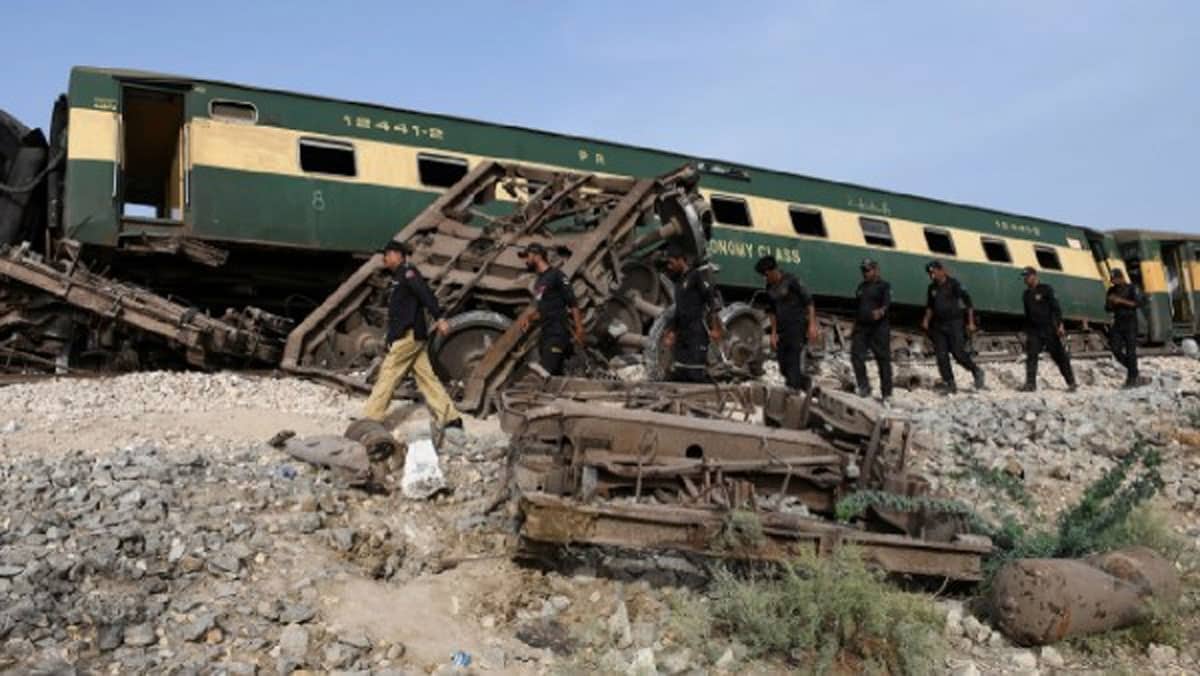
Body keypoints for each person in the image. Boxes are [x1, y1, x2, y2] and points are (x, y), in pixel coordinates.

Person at [362, 240, 464, 429]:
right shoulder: (399, 276)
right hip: (408, 335)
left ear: (398, 255)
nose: (384, 258)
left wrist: (440, 317)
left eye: (387, 254)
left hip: (408, 335)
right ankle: (451, 418)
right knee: (427, 379)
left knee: (388, 374)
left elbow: (426, 294)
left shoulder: (409, 273)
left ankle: (371, 419)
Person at [516, 243, 585, 376]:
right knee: (554, 376)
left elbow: (573, 303)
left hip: (557, 333)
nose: (526, 261)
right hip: (545, 334)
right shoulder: (540, 281)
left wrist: (579, 328)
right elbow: (544, 307)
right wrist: (529, 318)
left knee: (542, 373)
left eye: (527, 256)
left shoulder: (557, 276)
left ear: (537, 256)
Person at [921, 260, 985, 393]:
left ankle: (976, 370)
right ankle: (950, 383)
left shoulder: (954, 284)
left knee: (958, 353)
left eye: (933, 273)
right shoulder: (931, 288)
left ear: (941, 270)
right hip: (938, 325)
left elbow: (969, 303)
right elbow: (930, 306)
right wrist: (926, 320)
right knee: (941, 355)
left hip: (954, 323)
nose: (932, 276)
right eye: (929, 274)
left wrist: (971, 322)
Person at [755, 255, 818, 390]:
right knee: (783, 366)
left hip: (797, 327)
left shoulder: (791, 281)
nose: (765, 278)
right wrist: (773, 333)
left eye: (766, 275)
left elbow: (809, 302)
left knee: (793, 363)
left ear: (772, 271)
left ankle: (793, 394)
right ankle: (807, 385)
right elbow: (771, 311)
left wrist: (812, 325)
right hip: (782, 330)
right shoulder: (769, 287)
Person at [662, 244, 722, 383]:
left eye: (671, 263)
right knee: (679, 374)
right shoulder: (678, 282)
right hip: (682, 333)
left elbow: (711, 301)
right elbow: (679, 309)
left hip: (696, 331)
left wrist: (715, 328)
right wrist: (672, 331)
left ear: (680, 260)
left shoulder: (696, 275)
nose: (669, 267)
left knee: (695, 374)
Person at [1020, 266, 1077, 392]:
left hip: (1049, 329)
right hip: (1034, 330)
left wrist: (1060, 325)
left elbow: (1056, 308)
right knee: (1031, 356)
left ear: (1034, 276)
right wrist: (1025, 331)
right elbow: (1027, 314)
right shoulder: (1026, 294)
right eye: (1024, 277)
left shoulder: (1046, 289)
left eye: (1027, 276)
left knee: (1059, 356)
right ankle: (1030, 384)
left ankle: (1071, 382)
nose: (1025, 279)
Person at [850, 258, 893, 400]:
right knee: (856, 356)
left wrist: (880, 312)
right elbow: (858, 307)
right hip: (862, 327)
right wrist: (854, 325)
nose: (865, 273)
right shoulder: (861, 287)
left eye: (867, 270)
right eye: (863, 270)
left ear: (875, 270)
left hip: (878, 328)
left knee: (883, 359)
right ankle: (864, 386)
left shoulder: (884, 286)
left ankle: (886, 393)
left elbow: (887, 304)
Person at [1105, 268, 1144, 388]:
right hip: (1118, 322)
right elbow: (1107, 308)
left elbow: (1137, 304)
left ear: (1121, 278)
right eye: (1112, 280)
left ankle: (1132, 378)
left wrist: (1120, 301)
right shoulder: (1111, 290)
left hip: (1130, 323)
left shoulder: (1132, 288)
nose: (1113, 282)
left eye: (1115, 279)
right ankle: (1134, 371)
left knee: (1130, 351)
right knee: (1115, 349)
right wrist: (1111, 303)